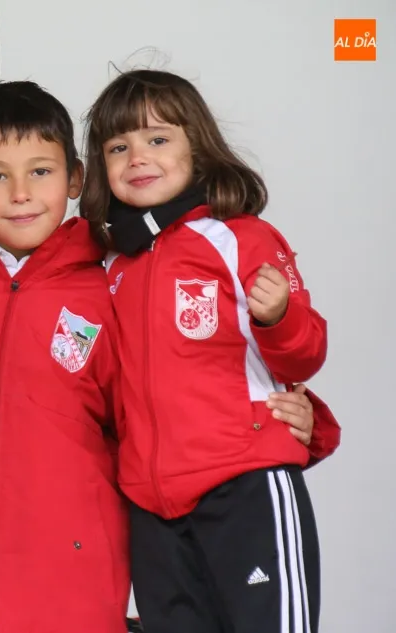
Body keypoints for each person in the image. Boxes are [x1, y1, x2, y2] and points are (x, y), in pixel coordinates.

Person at [0, 80, 330, 633]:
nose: (20, 193)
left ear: (74, 178)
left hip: (93, 564)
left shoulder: (107, 277)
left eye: (40, 172)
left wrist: (309, 419)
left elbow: (181, 374)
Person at [80, 68, 341, 633]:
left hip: (244, 485)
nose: (137, 157)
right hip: (152, 508)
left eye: (157, 139)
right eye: (118, 147)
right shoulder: (111, 265)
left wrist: (279, 316)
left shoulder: (239, 237)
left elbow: (303, 357)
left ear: (196, 147)